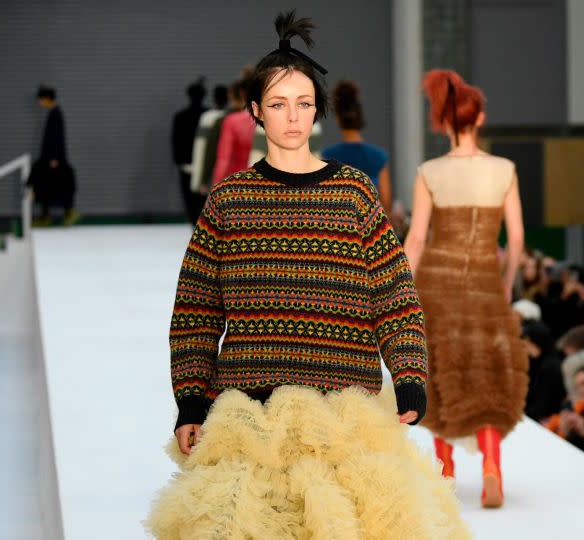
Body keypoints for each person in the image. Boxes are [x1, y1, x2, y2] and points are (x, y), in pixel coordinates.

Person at [147, 12, 469, 539]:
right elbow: (196, 311)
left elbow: (394, 294)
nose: (291, 117)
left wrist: (409, 376)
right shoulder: (229, 201)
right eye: (277, 104)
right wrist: (190, 400)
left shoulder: (354, 193)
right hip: (249, 419)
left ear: (316, 109)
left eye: (302, 103)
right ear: (255, 112)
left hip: (343, 418)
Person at [403, 68, 529, 509]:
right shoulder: (504, 170)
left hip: (436, 282)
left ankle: (446, 472)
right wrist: (507, 282)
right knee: (486, 372)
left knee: (441, 370)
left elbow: (417, 238)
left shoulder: (430, 172)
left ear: (443, 121)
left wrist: (398, 287)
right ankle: (491, 467)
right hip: (483, 282)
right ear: (477, 119)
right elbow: (515, 239)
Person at [321, 80, 393, 209]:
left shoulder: (328, 156)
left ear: (338, 119)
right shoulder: (379, 156)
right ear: (359, 116)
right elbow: (386, 203)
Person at [29, 86, 78, 226]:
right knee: (46, 184)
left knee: (48, 183)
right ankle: (48, 214)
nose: (39, 103)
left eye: (41, 99)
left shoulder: (56, 114)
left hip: (52, 159)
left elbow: (57, 137)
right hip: (50, 158)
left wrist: (54, 158)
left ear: (46, 99)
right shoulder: (53, 113)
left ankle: (61, 213)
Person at [171, 79, 207, 223]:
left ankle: (195, 228)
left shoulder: (180, 117)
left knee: (190, 202)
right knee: (204, 202)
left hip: (186, 165)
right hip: (205, 166)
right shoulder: (208, 115)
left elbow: (175, 142)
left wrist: (180, 162)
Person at [188, 84, 229, 195]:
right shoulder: (231, 118)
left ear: (214, 99)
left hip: (208, 169)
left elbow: (200, 148)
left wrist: (200, 177)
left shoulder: (206, 118)